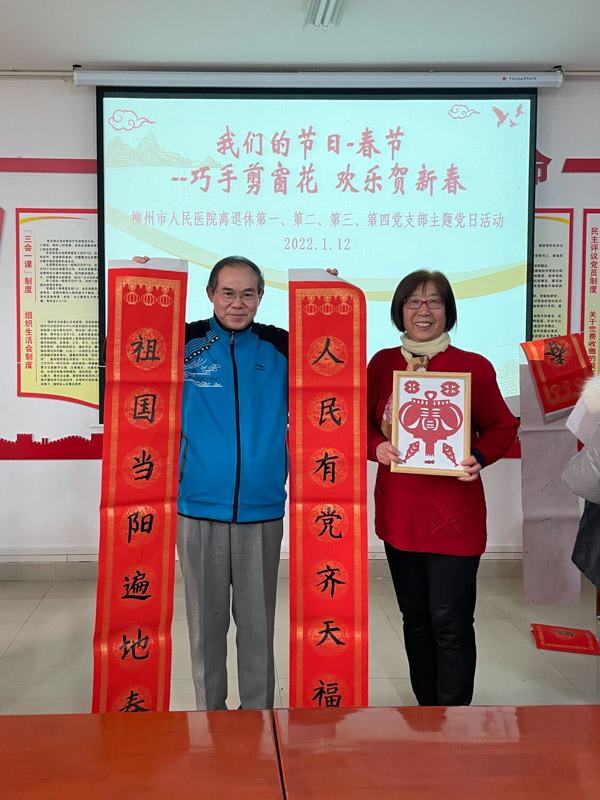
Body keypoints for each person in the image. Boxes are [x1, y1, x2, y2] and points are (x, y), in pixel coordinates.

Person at [367, 269, 518, 706]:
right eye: (413, 301)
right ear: (400, 311)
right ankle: (426, 713)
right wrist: (376, 446)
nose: (424, 310)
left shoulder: (475, 366)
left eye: (434, 301)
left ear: (447, 311)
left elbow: (502, 426)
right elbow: (356, 424)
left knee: (449, 621)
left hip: (455, 515)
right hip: (401, 514)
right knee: (414, 618)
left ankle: (454, 719)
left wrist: (479, 456)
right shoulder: (381, 364)